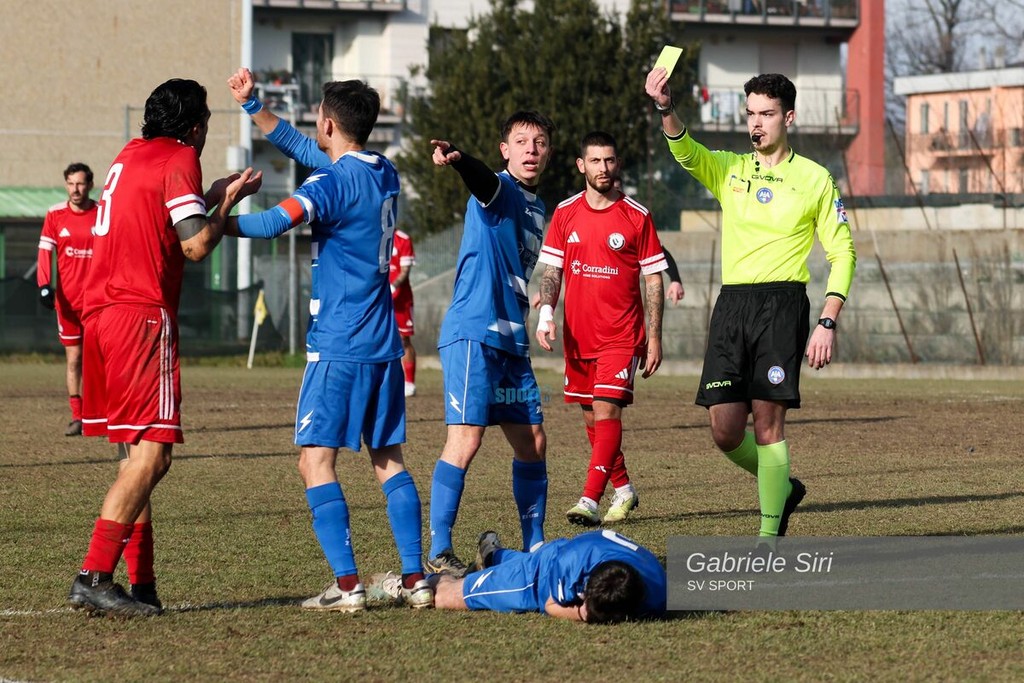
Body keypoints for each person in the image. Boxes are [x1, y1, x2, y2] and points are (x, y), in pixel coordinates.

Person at [227, 68, 431, 611]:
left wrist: (215, 221)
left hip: (340, 343)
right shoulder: (383, 171)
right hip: (384, 343)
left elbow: (274, 222)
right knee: (389, 460)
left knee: (315, 462)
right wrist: (253, 105)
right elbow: (304, 149)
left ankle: (347, 586)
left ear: (328, 124)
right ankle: (416, 579)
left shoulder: (329, 184)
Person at [69, 78, 262, 617]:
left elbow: (157, 211)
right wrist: (227, 201)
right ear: (195, 128)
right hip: (139, 314)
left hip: (101, 314)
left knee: (138, 456)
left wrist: (212, 193)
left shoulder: (129, 154)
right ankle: (93, 575)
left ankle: (143, 586)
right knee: (153, 454)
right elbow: (195, 244)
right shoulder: (180, 157)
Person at [644, 68, 856, 539]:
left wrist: (828, 320)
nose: (755, 123)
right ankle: (782, 487)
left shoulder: (815, 179)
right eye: (750, 114)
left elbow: (842, 252)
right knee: (724, 429)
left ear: (789, 117)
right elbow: (686, 150)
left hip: (783, 306)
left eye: (766, 114)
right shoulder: (731, 169)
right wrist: (665, 107)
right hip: (732, 306)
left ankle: (768, 539)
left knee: (767, 424)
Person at [426, 112, 554, 575]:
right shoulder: (499, 189)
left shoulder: (540, 208)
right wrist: (461, 160)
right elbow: (482, 181)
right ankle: (440, 551)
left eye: (539, 142)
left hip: (511, 342)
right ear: (505, 150)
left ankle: (535, 547)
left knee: (532, 441)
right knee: (466, 437)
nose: (530, 150)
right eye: (521, 141)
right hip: (474, 333)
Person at [536, 131, 667, 526]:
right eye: (595, 161)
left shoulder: (637, 215)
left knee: (607, 410)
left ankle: (589, 500)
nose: (603, 168)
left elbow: (653, 280)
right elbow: (552, 271)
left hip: (621, 336)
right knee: (593, 419)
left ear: (618, 164)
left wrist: (654, 336)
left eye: (609, 160)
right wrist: (546, 313)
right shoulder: (565, 213)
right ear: (582, 165)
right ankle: (624, 490)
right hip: (579, 337)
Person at [371, 529, 665, 623]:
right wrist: (585, 614)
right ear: (584, 585)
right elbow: (551, 604)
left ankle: (494, 555)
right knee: (447, 598)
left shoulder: (661, 590)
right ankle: (409, 584)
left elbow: (695, 575)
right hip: (541, 573)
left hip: (577, 549)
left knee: (523, 561)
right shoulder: (570, 567)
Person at [36, 163, 98, 436]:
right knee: (74, 359)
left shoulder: (102, 213)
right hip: (68, 303)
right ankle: (78, 416)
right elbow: (45, 251)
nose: (76, 189)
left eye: (81, 183)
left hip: (99, 302)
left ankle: (101, 416)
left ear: (90, 185)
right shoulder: (55, 214)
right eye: (71, 183)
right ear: (66, 185)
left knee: (100, 361)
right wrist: (44, 285)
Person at [389, 229, 418, 397]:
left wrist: (392, 287)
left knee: (403, 340)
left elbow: (405, 271)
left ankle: (409, 382)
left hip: (401, 300)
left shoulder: (403, 239)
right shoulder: (372, 234)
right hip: (379, 299)